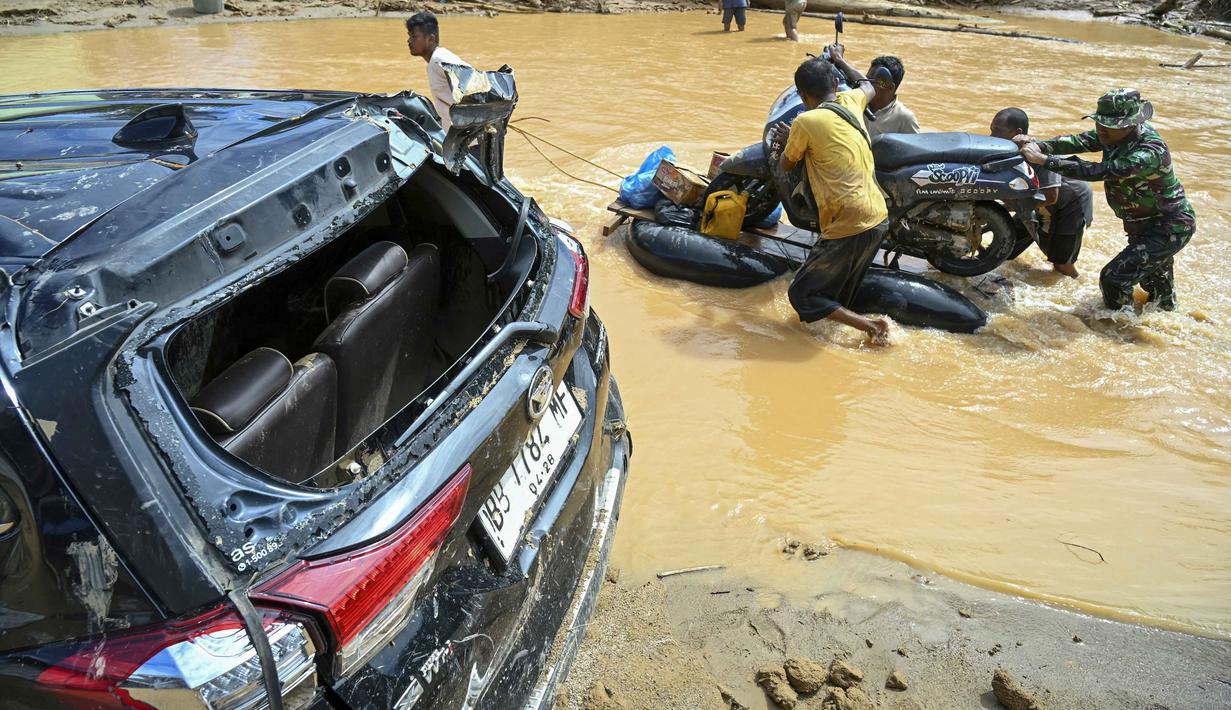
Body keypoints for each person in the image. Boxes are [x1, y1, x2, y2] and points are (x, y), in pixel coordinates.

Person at [1016, 89, 1196, 311]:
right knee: (1157, 291)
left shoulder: (1149, 151)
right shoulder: (1112, 135)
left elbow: (1100, 171)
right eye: (1099, 123)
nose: (1101, 129)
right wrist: (1038, 145)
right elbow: (1077, 142)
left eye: (1109, 125)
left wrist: (1044, 160)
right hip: (1142, 226)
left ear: (1130, 125)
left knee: (1114, 278)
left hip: (1169, 227)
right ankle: (1158, 332)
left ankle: (1120, 332)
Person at [770, 45, 891, 345]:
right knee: (840, 290)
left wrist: (788, 140)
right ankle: (838, 331)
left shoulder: (805, 122)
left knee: (800, 293)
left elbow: (787, 163)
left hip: (847, 222)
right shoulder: (851, 100)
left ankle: (873, 327)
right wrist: (840, 59)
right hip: (877, 216)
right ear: (835, 84)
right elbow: (867, 85)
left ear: (801, 95)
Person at [990, 107, 1093, 278]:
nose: (992, 136)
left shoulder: (1035, 151)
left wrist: (1007, 204)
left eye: (998, 131)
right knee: (1004, 249)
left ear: (1018, 133)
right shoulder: (1006, 150)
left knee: (1062, 265)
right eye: (991, 129)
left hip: (1070, 203)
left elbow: (1051, 196)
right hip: (1035, 199)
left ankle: (1079, 289)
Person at [406, 12, 473, 133]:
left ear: (431, 39)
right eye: (409, 36)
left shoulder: (440, 60)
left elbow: (474, 83)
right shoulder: (434, 62)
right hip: (457, 137)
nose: (409, 41)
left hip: (468, 139)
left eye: (414, 36)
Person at [850, 56, 919, 138]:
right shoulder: (855, 103)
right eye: (866, 79)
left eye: (871, 81)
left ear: (890, 87)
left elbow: (915, 149)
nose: (865, 85)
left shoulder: (905, 118)